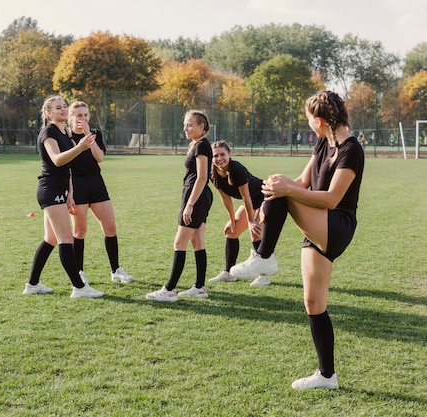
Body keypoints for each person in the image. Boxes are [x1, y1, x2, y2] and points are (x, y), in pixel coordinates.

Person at [230, 91, 364, 389]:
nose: (308, 126)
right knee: (313, 302)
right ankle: (327, 376)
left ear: (319, 120)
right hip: (316, 225)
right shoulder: (323, 142)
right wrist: (269, 196)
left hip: (336, 224)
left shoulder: (351, 149)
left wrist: (283, 191)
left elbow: (331, 199)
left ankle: (264, 258)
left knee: (282, 191)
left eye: (308, 120)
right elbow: (301, 183)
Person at [23, 95, 104, 298]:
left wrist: (70, 193)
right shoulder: (48, 131)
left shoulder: (64, 132)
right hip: (49, 189)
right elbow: (58, 160)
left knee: (50, 239)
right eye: (58, 107)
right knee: (65, 238)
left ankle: (32, 284)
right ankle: (79, 287)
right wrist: (80, 147)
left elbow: (67, 169)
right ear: (49, 113)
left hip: (60, 190)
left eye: (64, 106)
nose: (63, 109)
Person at [146, 110, 213, 302]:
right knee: (197, 241)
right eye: (185, 124)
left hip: (196, 197)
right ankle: (200, 288)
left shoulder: (201, 146)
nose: (186, 128)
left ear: (202, 127)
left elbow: (201, 177)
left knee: (179, 243)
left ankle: (169, 290)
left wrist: (190, 204)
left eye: (190, 125)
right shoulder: (199, 144)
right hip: (199, 196)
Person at [66, 101, 134, 285]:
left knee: (110, 227)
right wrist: (69, 192)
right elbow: (66, 166)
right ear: (71, 117)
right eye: (78, 115)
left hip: (96, 183)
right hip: (76, 184)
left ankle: (116, 270)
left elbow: (100, 158)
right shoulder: (65, 136)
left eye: (85, 115)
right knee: (80, 231)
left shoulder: (95, 134)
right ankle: (79, 272)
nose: (82, 118)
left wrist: (89, 134)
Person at [208, 140, 269, 286]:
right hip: (250, 202)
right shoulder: (213, 173)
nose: (219, 158)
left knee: (255, 232)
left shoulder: (237, 169)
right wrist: (233, 220)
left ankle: (264, 276)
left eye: (222, 154)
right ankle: (229, 273)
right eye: (215, 156)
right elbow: (226, 199)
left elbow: (246, 197)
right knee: (230, 231)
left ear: (229, 154)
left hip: (265, 198)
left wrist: (251, 221)